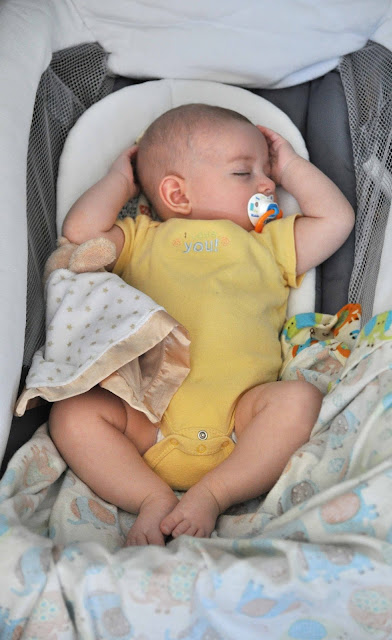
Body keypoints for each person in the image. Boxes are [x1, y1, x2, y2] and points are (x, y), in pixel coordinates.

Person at [49, 104, 354, 546]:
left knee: (299, 401)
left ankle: (214, 493)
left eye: (268, 173)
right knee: (73, 413)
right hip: (148, 417)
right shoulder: (140, 237)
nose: (268, 185)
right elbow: (81, 236)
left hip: (242, 423)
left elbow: (336, 219)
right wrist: (119, 181)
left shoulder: (267, 244)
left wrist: (291, 166)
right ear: (177, 194)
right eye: (244, 172)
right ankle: (150, 497)